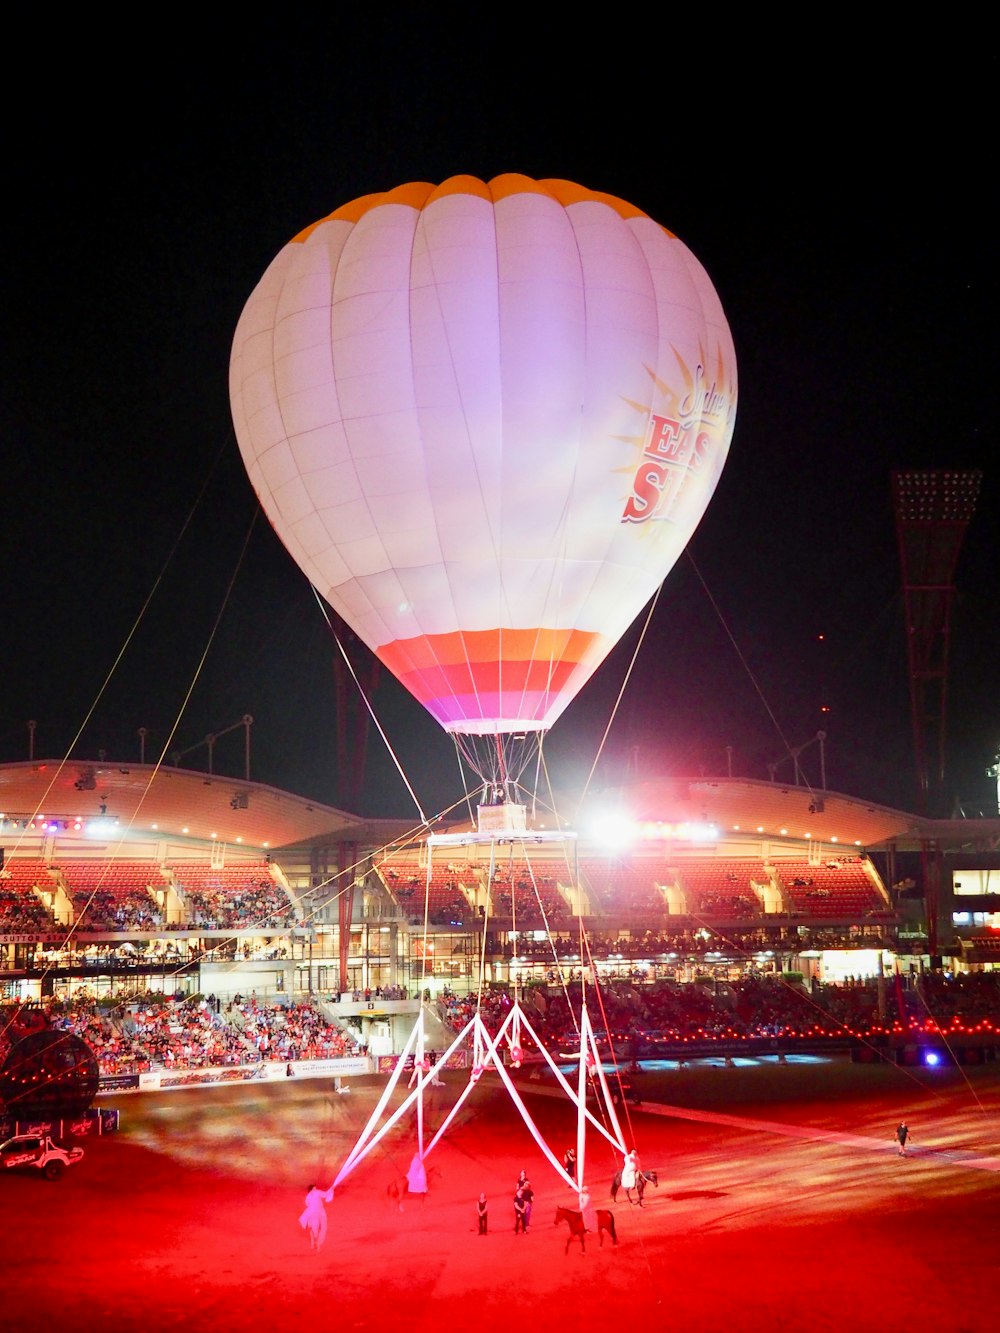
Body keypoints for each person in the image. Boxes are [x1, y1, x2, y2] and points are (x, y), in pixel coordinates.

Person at [298, 1182, 334, 1251]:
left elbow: (307, 1204)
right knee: (319, 1228)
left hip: (310, 1214)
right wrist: (331, 1189)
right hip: (319, 1213)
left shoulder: (308, 1195)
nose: (316, 1188)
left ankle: (312, 1245)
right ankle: (318, 1246)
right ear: (313, 1188)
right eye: (315, 1187)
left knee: (311, 1229)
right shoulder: (317, 1192)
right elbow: (326, 1194)